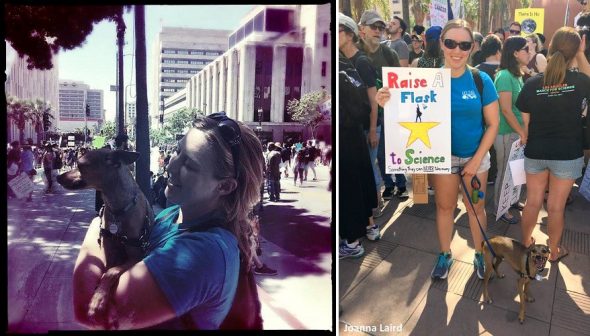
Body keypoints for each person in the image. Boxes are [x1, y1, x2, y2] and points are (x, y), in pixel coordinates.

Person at [73, 112, 264, 329]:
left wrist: (98, 225)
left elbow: (87, 311)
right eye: (177, 151)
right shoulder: (171, 215)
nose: (171, 167)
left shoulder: (204, 253)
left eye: (190, 165)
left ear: (225, 186)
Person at [376, 19, 500, 280]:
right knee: (444, 208)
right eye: (451, 43)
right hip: (441, 159)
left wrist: (476, 160)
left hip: (475, 158)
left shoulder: (481, 80)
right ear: (441, 44)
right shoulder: (425, 80)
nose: (457, 50)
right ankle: (445, 254)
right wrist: (387, 101)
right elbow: (406, 113)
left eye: (464, 44)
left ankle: (479, 253)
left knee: (476, 208)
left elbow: (493, 125)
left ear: (472, 47)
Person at [516, 27, 590, 263]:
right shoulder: (581, 81)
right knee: (556, 207)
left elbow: (525, 122)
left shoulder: (532, 83)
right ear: (578, 48)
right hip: (567, 154)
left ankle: (526, 244)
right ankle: (554, 251)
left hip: (536, 151)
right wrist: (580, 53)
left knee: (533, 202)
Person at [358, 10, 407, 206]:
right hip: (366, 114)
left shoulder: (389, 53)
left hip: (389, 111)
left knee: (392, 148)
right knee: (377, 153)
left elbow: (402, 83)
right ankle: (387, 184)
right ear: (362, 30)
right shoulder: (353, 52)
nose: (378, 31)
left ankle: (401, 184)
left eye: (381, 27)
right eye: (374, 27)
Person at [493, 36, 530, 224]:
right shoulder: (505, 76)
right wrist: (522, 132)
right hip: (506, 132)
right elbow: (506, 110)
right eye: (526, 49)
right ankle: (501, 207)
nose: (530, 52)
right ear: (515, 53)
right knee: (505, 171)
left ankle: (512, 200)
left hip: (516, 132)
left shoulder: (517, 75)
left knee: (515, 170)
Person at [476, 34, 503, 186]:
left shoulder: (477, 71)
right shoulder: (506, 69)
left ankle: (489, 175)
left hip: (481, 117)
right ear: (499, 50)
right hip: (504, 120)